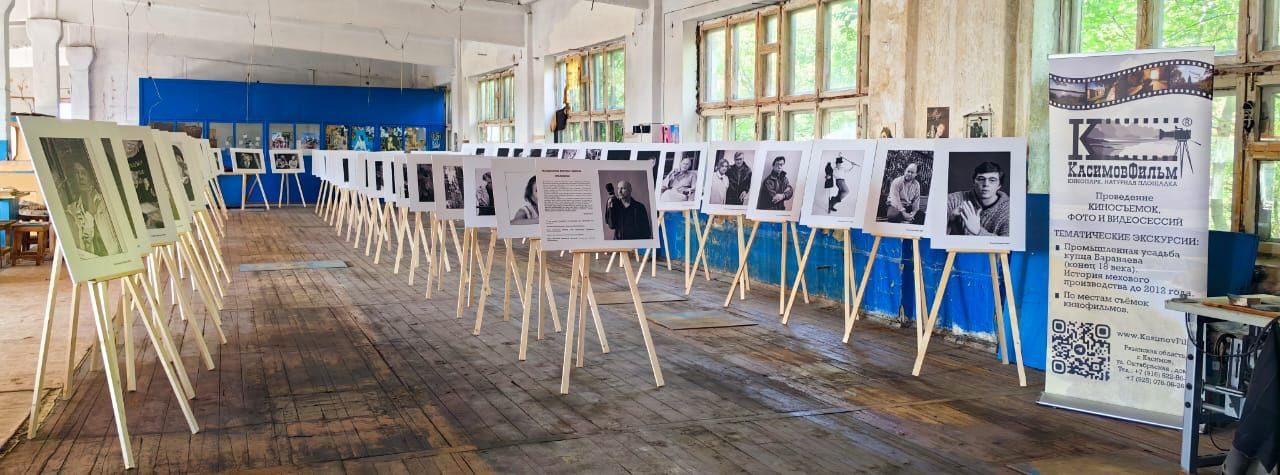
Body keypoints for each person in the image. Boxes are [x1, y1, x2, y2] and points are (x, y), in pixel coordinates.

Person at [946, 161, 1009, 236]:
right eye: (981, 179)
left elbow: (1008, 242)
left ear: (999, 185)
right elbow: (936, 234)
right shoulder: (953, 200)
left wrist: (978, 231)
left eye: (992, 180)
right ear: (974, 182)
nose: (986, 184)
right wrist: (950, 219)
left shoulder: (1009, 211)